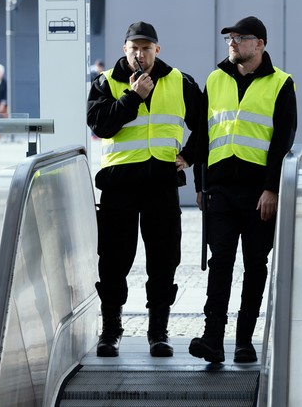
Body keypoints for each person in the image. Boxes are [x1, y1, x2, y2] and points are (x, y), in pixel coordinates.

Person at [86, 22, 205, 358]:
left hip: (161, 186)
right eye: (134, 48)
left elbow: (206, 125)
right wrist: (132, 96)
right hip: (119, 186)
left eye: (146, 48)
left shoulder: (180, 82)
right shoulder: (106, 82)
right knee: (113, 261)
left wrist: (189, 155)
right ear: (125, 49)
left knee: (164, 261)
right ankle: (111, 331)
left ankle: (158, 331)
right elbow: (101, 125)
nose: (140, 54)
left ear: (157, 49)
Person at [189, 16, 297, 364]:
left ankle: (244, 341)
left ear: (259, 44)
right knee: (220, 262)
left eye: (241, 38)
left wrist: (272, 189)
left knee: (255, 265)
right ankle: (212, 340)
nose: (233, 43)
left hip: (257, 194)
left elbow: (282, 140)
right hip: (220, 189)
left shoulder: (281, 83)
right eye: (230, 38)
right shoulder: (215, 78)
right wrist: (198, 183)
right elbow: (205, 135)